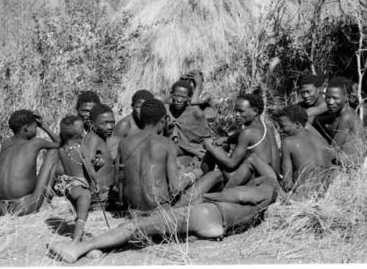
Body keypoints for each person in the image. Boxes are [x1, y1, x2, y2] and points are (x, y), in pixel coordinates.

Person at [48, 156, 279, 264]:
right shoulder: (262, 207)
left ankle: (79, 248)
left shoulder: (266, 188)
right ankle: (99, 248)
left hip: (208, 214)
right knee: (150, 232)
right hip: (216, 228)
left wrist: (206, 197)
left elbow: (239, 193)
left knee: (137, 225)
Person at [116, 98, 202, 211]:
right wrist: (194, 174)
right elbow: (175, 188)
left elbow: (118, 180)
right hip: (159, 210)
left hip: (133, 209)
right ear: (163, 120)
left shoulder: (124, 143)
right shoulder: (166, 143)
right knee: (212, 176)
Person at [203, 94, 280, 188]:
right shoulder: (266, 127)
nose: (237, 115)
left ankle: (204, 177)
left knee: (210, 146)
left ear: (255, 111)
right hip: (270, 178)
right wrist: (226, 139)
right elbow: (241, 134)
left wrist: (211, 147)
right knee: (220, 145)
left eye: (241, 111)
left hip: (251, 182)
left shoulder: (247, 133)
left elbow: (231, 164)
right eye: (235, 111)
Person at [0, 110, 60, 216]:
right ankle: (45, 202)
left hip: (0, 207)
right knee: (54, 152)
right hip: (23, 206)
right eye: (35, 126)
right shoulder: (35, 143)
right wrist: (44, 126)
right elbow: (61, 143)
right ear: (26, 128)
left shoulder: (5, 143)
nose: (36, 129)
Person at [274, 106, 336, 196]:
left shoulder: (287, 142)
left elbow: (287, 183)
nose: (280, 130)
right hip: (326, 192)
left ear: (297, 125)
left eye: (283, 126)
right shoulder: (321, 140)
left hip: (304, 194)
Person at [57, 115, 100, 242]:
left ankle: (79, 235)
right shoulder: (82, 149)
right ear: (81, 133)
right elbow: (89, 167)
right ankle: (76, 240)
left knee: (78, 213)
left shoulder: (61, 150)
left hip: (69, 187)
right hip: (82, 190)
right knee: (82, 217)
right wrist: (96, 181)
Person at [164, 80, 212, 172]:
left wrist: (198, 157)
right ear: (171, 94)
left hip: (192, 149)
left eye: (183, 97)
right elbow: (156, 100)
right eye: (176, 95)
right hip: (174, 147)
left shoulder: (196, 113)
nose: (178, 100)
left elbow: (206, 139)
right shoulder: (166, 109)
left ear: (189, 98)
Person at [316, 77, 365, 165]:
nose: (330, 102)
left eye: (335, 98)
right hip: (342, 162)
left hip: (351, 167)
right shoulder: (338, 114)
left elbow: (334, 149)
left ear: (346, 98)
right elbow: (317, 121)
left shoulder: (347, 116)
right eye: (327, 97)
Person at [83, 103, 116, 193]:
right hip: (99, 194)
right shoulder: (93, 138)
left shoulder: (99, 137)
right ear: (92, 123)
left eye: (112, 122)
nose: (109, 127)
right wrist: (94, 163)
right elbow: (86, 163)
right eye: (104, 123)